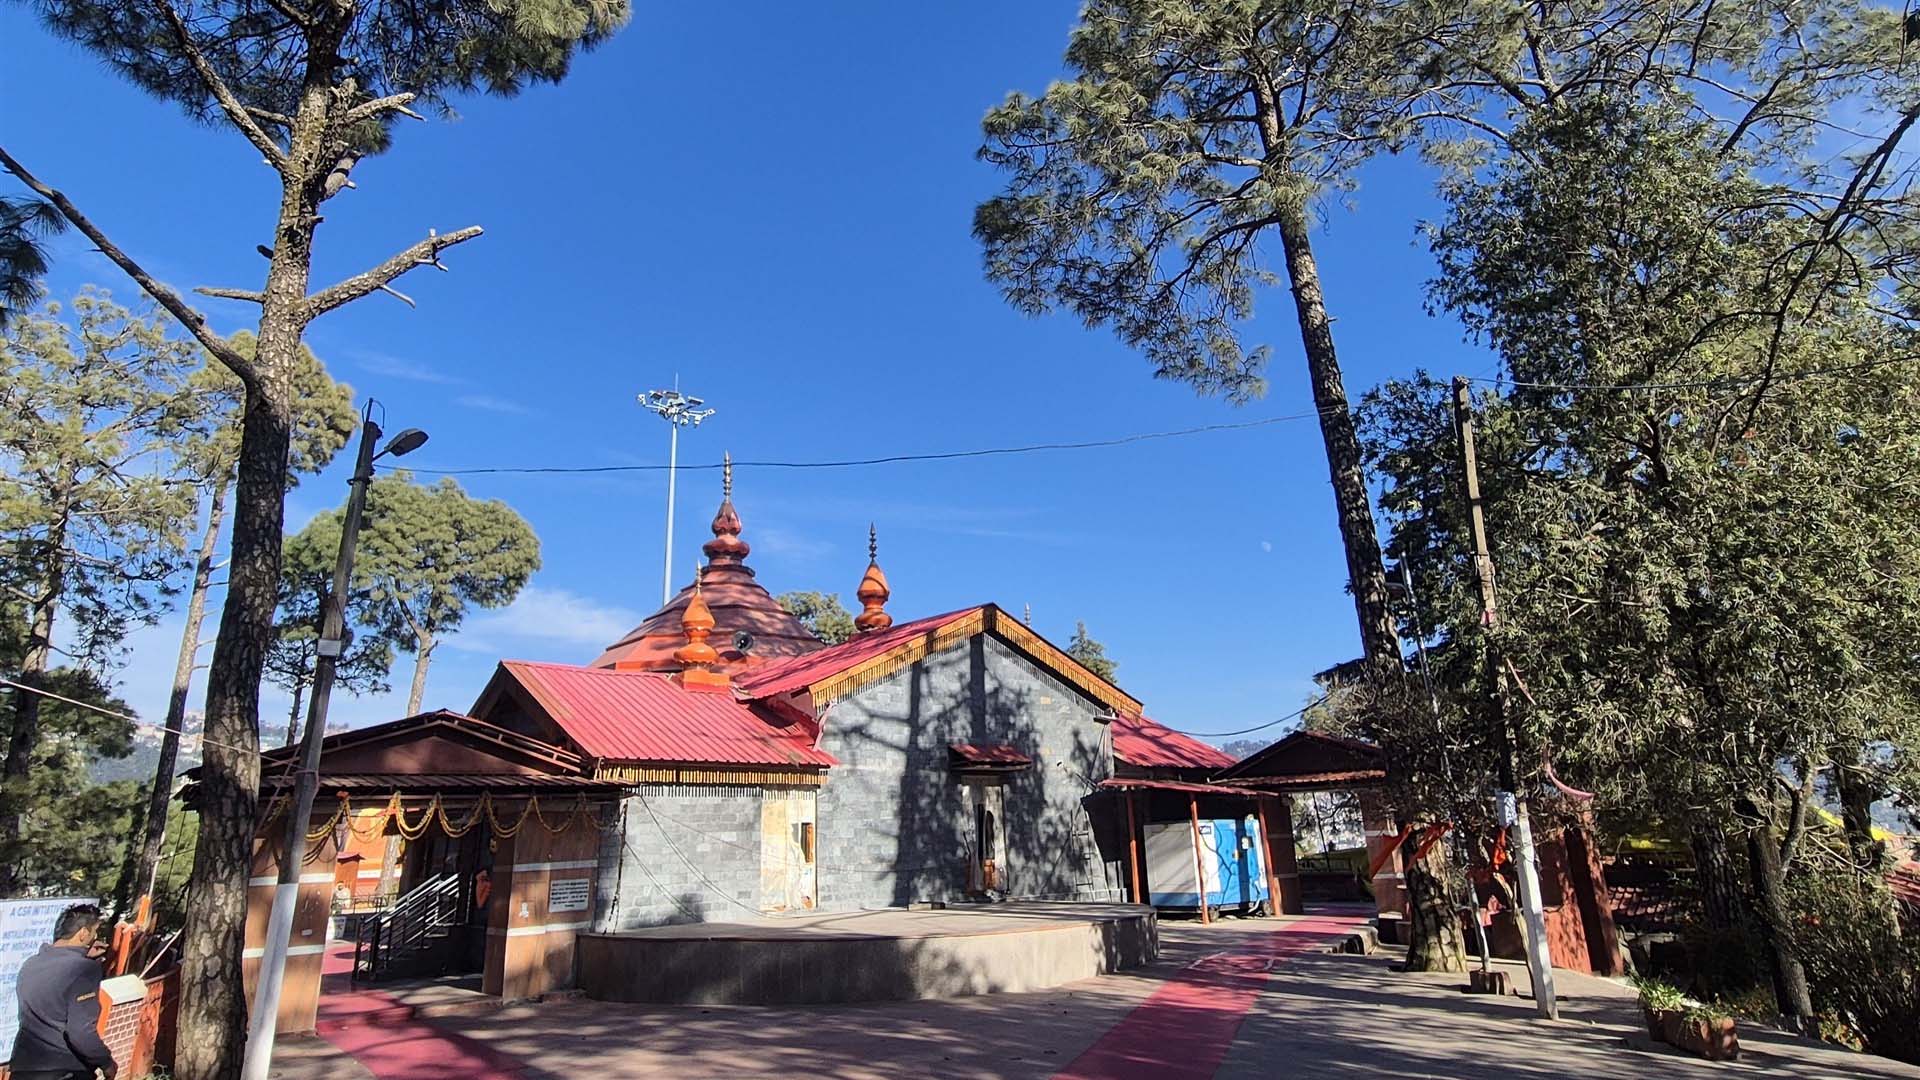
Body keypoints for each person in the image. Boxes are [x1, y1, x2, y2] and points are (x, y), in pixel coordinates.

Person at [9, 903, 116, 1080]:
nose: (95, 937)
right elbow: (80, 1032)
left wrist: (83, 956)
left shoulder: (30, 964)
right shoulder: (84, 970)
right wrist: (106, 1062)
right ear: (83, 933)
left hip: (23, 1068)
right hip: (64, 1070)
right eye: (94, 932)